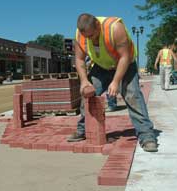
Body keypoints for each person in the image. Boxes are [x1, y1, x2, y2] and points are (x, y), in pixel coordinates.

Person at [67, 13, 158, 152]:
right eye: (87, 36)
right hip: (102, 66)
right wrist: (84, 82)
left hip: (124, 64)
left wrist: (115, 82)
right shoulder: (80, 35)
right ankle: (83, 130)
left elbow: (125, 57)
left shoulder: (115, 28)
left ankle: (147, 136)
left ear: (98, 25)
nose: (90, 39)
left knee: (132, 95)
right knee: (88, 94)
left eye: (92, 36)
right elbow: (79, 60)